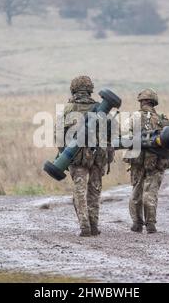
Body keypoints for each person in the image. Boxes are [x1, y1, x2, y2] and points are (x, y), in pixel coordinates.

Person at [60, 76, 113, 237]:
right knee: (95, 190)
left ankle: (85, 226)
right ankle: (94, 225)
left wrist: (63, 156)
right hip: (98, 156)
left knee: (79, 191)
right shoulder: (100, 107)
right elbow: (109, 135)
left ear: (73, 89)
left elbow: (60, 135)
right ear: (90, 90)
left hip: (76, 156)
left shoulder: (69, 108)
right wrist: (107, 156)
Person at [124, 89, 169, 234]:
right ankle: (151, 224)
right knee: (150, 193)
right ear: (154, 102)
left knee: (136, 192)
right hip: (157, 162)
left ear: (141, 102)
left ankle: (137, 223)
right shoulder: (163, 120)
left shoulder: (134, 117)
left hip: (138, 162)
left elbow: (124, 138)